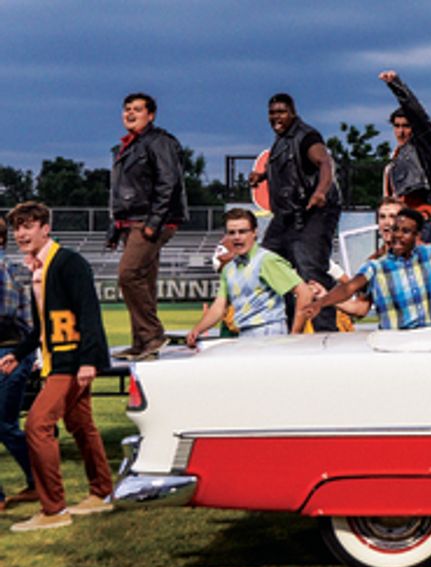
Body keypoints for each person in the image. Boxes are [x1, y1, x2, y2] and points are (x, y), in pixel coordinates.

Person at [1, 202, 112, 531]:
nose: (22, 233)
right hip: (58, 361)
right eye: (18, 227)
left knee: (37, 425)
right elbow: (40, 328)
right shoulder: (40, 268)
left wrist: (89, 360)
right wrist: (19, 353)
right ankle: (101, 492)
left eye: (29, 225)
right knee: (82, 426)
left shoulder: (69, 262)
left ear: (45, 228)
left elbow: (89, 313)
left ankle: (53, 510)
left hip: (72, 362)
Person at [251, 92, 341, 333]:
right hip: (286, 217)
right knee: (267, 262)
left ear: (292, 112)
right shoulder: (281, 141)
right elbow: (289, 171)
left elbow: (323, 162)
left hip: (312, 213)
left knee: (310, 269)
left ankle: (326, 332)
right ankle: (287, 325)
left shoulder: (306, 136)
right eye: (272, 113)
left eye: (281, 112)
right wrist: (262, 176)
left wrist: (321, 191)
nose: (276, 117)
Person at [110, 92, 186, 361]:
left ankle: (152, 335)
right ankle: (142, 343)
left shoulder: (159, 142)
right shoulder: (129, 145)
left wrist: (155, 221)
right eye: (126, 108)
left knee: (128, 274)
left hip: (150, 221)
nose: (130, 113)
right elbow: (121, 192)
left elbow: (169, 182)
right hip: (134, 221)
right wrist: (114, 228)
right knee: (143, 280)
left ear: (151, 115)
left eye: (137, 109)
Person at [304, 209, 431, 330]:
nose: (398, 235)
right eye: (395, 229)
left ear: (417, 235)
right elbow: (349, 288)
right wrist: (320, 303)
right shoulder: (376, 267)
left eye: (406, 231)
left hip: (429, 335)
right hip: (394, 340)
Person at [186, 209, 312, 346]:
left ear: (254, 233)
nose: (237, 237)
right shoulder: (228, 269)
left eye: (242, 231)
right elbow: (219, 307)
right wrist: (197, 330)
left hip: (270, 333)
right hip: (244, 334)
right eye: (232, 233)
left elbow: (304, 293)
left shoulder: (266, 260)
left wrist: (295, 335)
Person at [380, 70, 431, 244]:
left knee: (420, 266)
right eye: (397, 126)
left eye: (406, 126)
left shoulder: (423, 149)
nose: (401, 131)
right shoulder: (395, 160)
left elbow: (419, 116)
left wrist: (396, 85)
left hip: (422, 217)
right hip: (402, 220)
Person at [0, 216, 37, 510]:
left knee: (4, 424)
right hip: (13, 351)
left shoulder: (2, 267)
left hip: (10, 352)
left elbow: (6, 312)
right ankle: (38, 482)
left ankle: (40, 481)